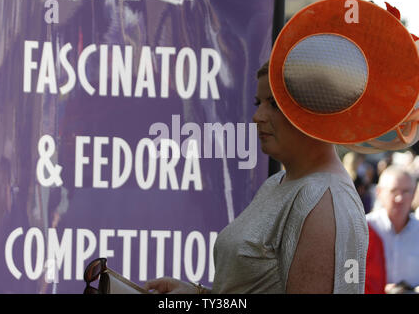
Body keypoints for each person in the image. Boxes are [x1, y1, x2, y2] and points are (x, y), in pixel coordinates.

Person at [144, 62, 369, 294]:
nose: (257, 116)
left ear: (314, 110)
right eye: (258, 103)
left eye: (274, 104)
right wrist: (197, 294)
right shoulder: (278, 182)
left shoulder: (325, 200)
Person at [366, 166, 419, 293]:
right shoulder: (363, 228)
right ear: (379, 193)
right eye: (393, 191)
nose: (399, 198)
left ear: (414, 194)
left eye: (406, 191)